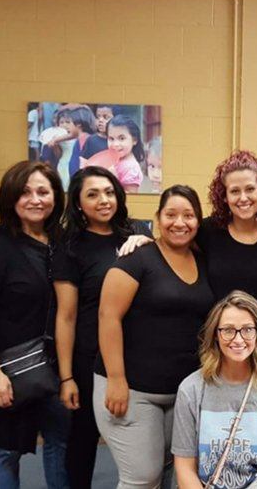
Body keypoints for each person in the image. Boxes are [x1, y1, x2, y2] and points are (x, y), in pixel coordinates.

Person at [94, 185, 215, 488]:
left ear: (198, 221)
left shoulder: (202, 260)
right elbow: (108, 317)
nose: (180, 222)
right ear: (158, 218)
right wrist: (116, 379)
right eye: (171, 214)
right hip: (132, 389)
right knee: (142, 476)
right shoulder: (137, 258)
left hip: (181, 392)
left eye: (188, 215)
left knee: (168, 470)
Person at [0, 161, 70, 489]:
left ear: (56, 196)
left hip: (55, 371)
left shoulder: (62, 242)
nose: (35, 199)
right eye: (25, 192)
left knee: (61, 445)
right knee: (3, 452)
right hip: (8, 371)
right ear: (10, 197)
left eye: (43, 191)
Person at [53, 167, 153, 488]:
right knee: (82, 442)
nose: (103, 200)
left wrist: (150, 241)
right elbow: (66, 316)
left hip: (135, 355)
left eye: (109, 192)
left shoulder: (136, 233)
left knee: (142, 440)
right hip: (88, 359)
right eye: (93, 194)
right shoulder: (70, 246)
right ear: (79, 203)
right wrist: (66, 376)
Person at [124, 150, 257, 323]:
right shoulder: (209, 231)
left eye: (250, 189)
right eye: (234, 191)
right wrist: (147, 243)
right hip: (220, 339)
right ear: (225, 196)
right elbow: (174, 247)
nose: (243, 198)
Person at [172, 290, 257, 489]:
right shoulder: (191, 389)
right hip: (208, 485)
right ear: (215, 335)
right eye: (228, 330)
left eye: (247, 329)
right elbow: (184, 467)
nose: (238, 339)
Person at [84, 115, 145, 193]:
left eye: (121, 138)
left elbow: (132, 198)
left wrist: (113, 178)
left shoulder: (131, 168)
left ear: (134, 140)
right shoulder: (112, 157)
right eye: (111, 139)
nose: (115, 144)